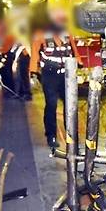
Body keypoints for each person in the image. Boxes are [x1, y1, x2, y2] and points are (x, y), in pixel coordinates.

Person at [29, 8, 83, 148]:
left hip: (66, 75)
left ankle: (71, 134)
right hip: (50, 75)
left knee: (70, 105)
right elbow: (35, 53)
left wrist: (79, 63)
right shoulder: (40, 34)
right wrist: (33, 73)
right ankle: (51, 135)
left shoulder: (66, 33)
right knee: (51, 104)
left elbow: (73, 49)